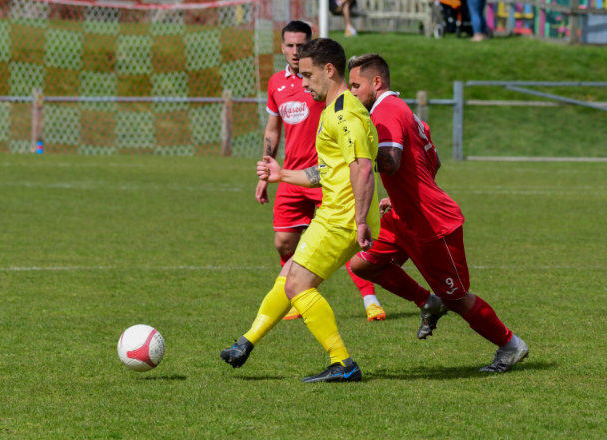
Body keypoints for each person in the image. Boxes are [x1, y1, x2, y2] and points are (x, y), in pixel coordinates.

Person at [346, 53, 528, 372]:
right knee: (362, 265)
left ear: (377, 82)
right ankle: (428, 301)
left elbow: (389, 162)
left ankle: (510, 345)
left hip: (431, 222)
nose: (352, 92)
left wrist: (356, 157)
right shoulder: (404, 111)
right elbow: (433, 162)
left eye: (356, 85)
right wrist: (400, 196)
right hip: (404, 217)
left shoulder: (386, 111)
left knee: (457, 297)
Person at [221, 38, 381, 383]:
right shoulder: (333, 110)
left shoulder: (345, 113)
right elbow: (328, 171)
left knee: (297, 285)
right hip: (334, 214)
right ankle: (246, 342)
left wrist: (359, 221)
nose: (303, 83)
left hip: (342, 217)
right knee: (289, 276)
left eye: (307, 75)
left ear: (329, 70)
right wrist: (282, 175)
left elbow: (363, 168)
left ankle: (343, 363)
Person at [258, 20, 385, 322]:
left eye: (301, 46)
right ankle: (296, 295)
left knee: (343, 237)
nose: (295, 51)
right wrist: (266, 172)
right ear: (281, 48)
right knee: (283, 242)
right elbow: (273, 129)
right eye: (290, 45)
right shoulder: (277, 84)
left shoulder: (323, 84)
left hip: (328, 176)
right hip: (293, 173)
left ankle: (369, 298)